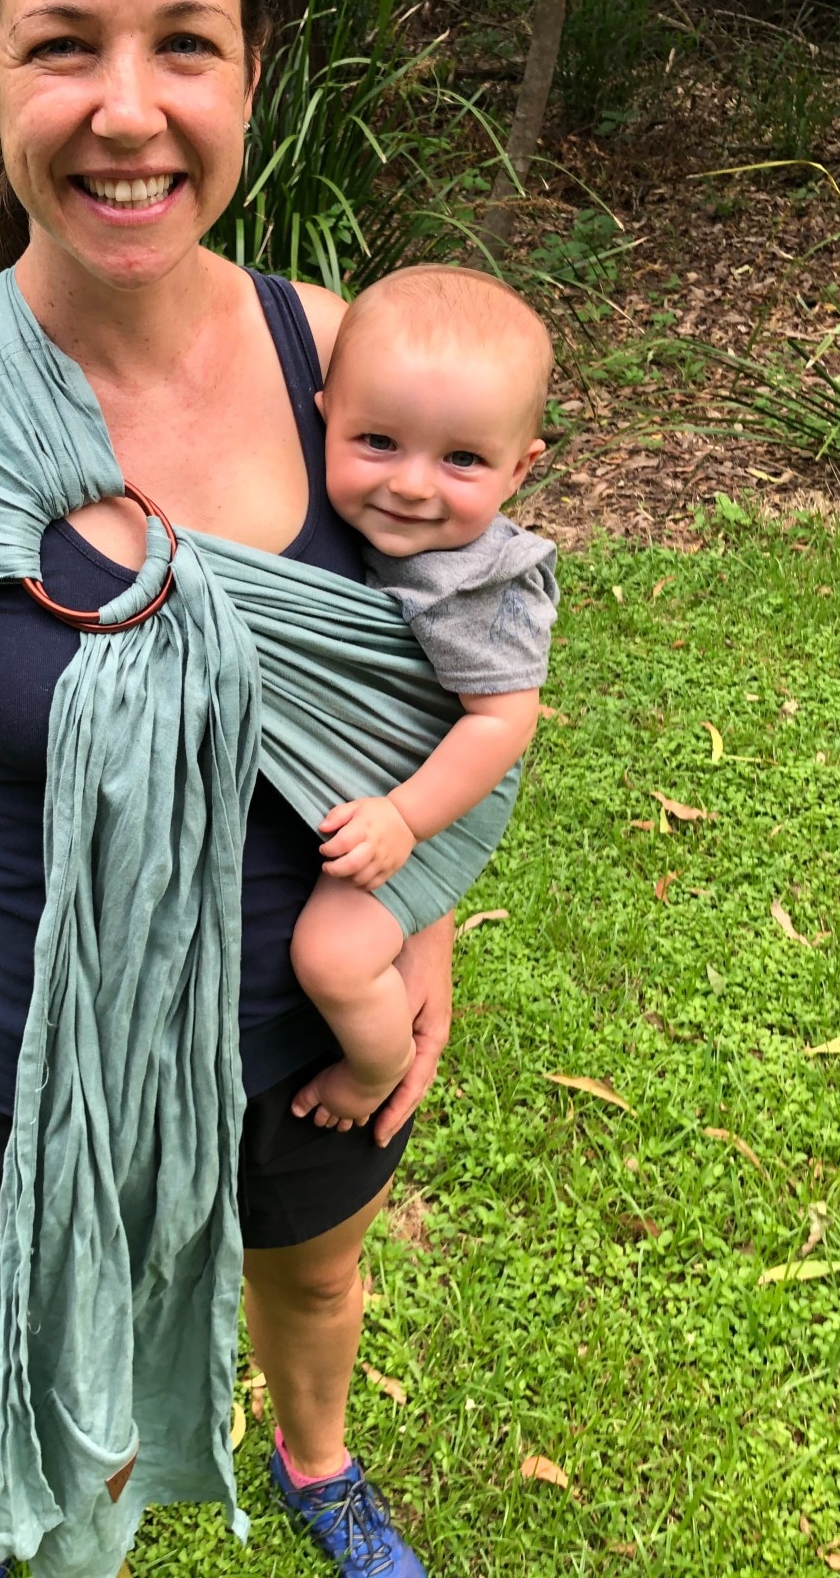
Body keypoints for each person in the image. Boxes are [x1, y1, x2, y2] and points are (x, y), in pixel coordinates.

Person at [0, 0, 490, 1578]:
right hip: (35, 1068)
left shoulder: (350, 371)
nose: (127, 111)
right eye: (58, 46)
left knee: (316, 1270)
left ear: (252, 69)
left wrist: (418, 945)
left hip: (305, 1050)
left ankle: (318, 1464)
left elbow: (436, 690)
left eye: (186, 42)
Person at [287, 267, 559, 1132]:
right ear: (322, 415)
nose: (411, 484)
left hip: (443, 788)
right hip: (399, 771)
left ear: (521, 469)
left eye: (463, 460)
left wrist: (405, 819)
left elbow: (505, 720)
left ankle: (376, 1068)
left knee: (332, 955)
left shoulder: (479, 583)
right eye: (378, 442)